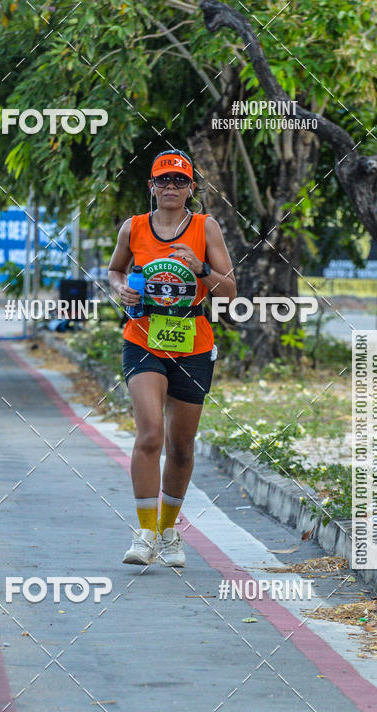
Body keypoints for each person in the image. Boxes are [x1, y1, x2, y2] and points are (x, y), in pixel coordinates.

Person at [108, 149, 236, 567]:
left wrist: (200, 268)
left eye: (179, 180)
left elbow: (229, 290)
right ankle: (145, 533)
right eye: (163, 179)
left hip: (193, 344)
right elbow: (114, 271)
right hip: (143, 339)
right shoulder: (133, 227)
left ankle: (167, 530)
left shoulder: (205, 227)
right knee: (150, 433)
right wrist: (121, 289)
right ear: (151, 186)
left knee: (181, 447)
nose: (171, 186)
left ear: (190, 188)